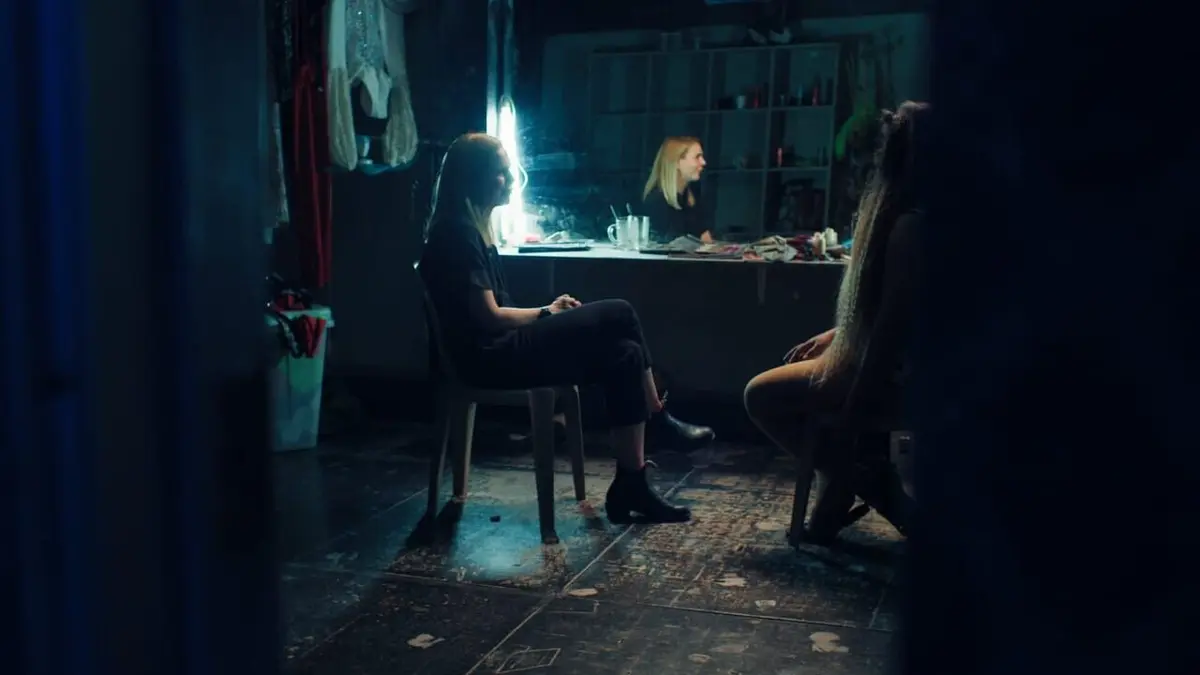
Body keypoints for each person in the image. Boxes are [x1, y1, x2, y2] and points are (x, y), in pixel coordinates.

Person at [418, 132, 710, 524]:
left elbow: (494, 313)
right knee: (621, 312)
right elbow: (489, 317)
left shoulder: (473, 231)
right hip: (488, 358)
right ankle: (657, 417)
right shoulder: (456, 235)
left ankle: (632, 484)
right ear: (473, 178)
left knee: (625, 354)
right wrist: (547, 313)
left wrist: (549, 314)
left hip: (501, 348)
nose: (511, 178)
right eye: (501, 171)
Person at [742, 101, 930, 540]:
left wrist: (855, 414)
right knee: (802, 388)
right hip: (902, 367)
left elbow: (890, 333)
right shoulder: (925, 220)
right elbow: (894, 308)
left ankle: (876, 486)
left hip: (899, 378)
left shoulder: (909, 228)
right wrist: (840, 333)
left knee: (760, 396)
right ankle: (847, 488)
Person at [641, 136, 713, 243]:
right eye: (697, 157)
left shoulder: (690, 198)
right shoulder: (657, 201)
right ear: (677, 162)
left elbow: (706, 239)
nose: (703, 162)